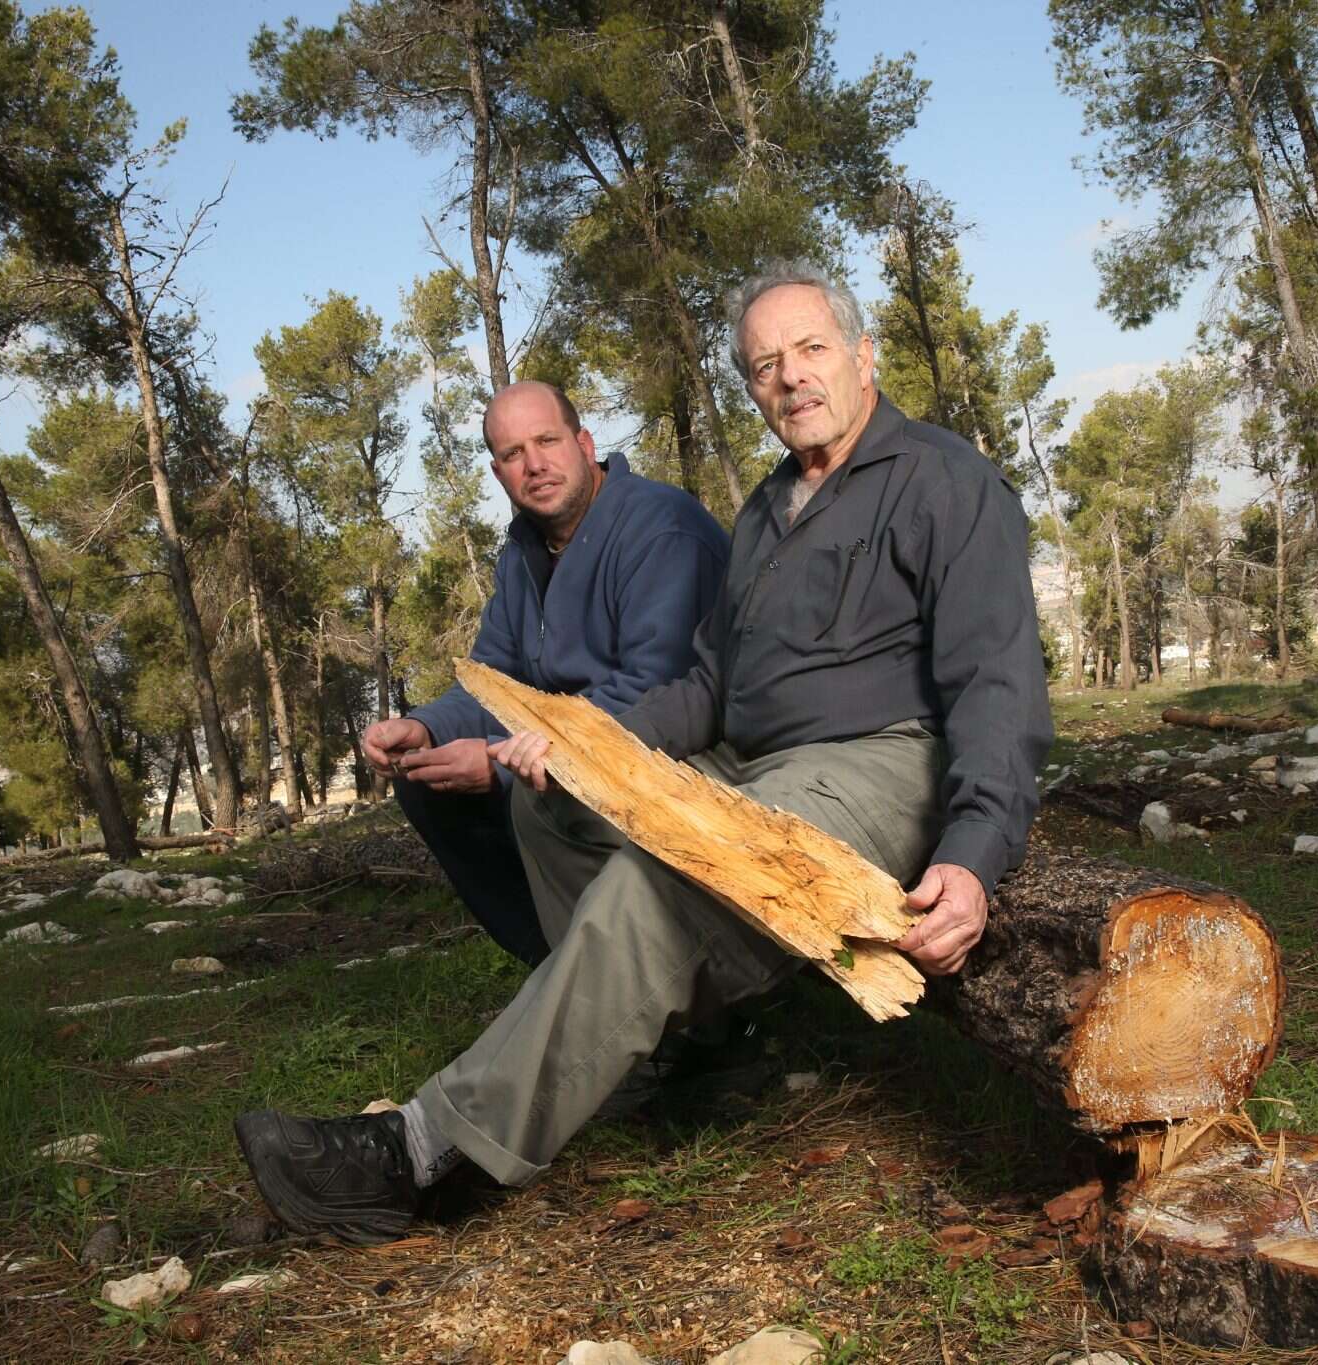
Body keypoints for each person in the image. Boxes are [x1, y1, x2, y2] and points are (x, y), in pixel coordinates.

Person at [234, 263, 1053, 1242]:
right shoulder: (764, 512)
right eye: (763, 366)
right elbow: (704, 685)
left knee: (656, 885)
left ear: (861, 354)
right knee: (553, 806)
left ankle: (422, 1154)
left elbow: (997, 688)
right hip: (750, 757)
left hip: (876, 761)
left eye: (810, 350)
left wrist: (968, 855)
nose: (789, 379)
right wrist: (589, 750)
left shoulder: (942, 483)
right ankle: (697, 1046)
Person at [358, 380, 728, 966]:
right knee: (426, 784)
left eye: (547, 441)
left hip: (670, 764)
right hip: (560, 758)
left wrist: (504, 760)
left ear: (584, 443)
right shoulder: (523, 553)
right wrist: (427, 729)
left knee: (531, 798)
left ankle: (685, 1005)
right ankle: (561, 971)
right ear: (498, 472)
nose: (534, 465)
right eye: (512, 454)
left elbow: (658, 694)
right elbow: (491, 680)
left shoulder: (661, 528)